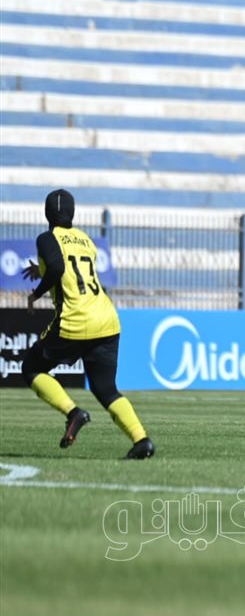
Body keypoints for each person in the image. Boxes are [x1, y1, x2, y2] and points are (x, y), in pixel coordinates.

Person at [21, 189, 155, 459]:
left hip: (75, 319)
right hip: (106, 319)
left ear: (47, 213)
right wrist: (42, 269)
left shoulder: (47, 238)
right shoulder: (86, 240)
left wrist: (36, 293)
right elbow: (74, 269)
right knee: (105, 388)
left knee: (32, 368)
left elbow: (58, 267)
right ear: (73, 213)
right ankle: (141, 440)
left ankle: (73, 413)